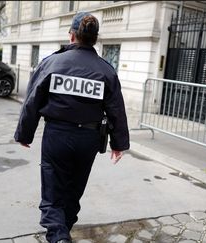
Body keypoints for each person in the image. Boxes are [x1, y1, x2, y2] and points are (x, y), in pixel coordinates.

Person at [14, 12, 130, 243]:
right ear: (94, 38)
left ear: (71, 36)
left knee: (52, 196)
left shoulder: (52, 63)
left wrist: (24, 133)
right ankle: (63, 232)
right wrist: (119, 144)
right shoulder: (106, 70)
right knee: (73, 192)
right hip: (88, 139)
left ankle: (59, 237)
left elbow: (33, 100)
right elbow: (117, 109)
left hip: (57, 136)